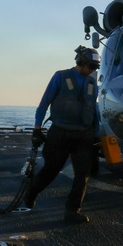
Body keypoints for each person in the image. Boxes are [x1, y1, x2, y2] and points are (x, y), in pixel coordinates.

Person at [24, 46, 102, 224]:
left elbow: (94, 110)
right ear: (80, 62)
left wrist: (97, 134)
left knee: (83, 175)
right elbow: (44, 104)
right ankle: (31, 192)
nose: (92, 70)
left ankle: (72, 211)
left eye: (95, 67)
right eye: (91, 66)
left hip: (84, 134)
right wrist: (37, 130)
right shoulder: (60, 77)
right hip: (60, 132)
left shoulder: (92, 84)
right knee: (51, 170)